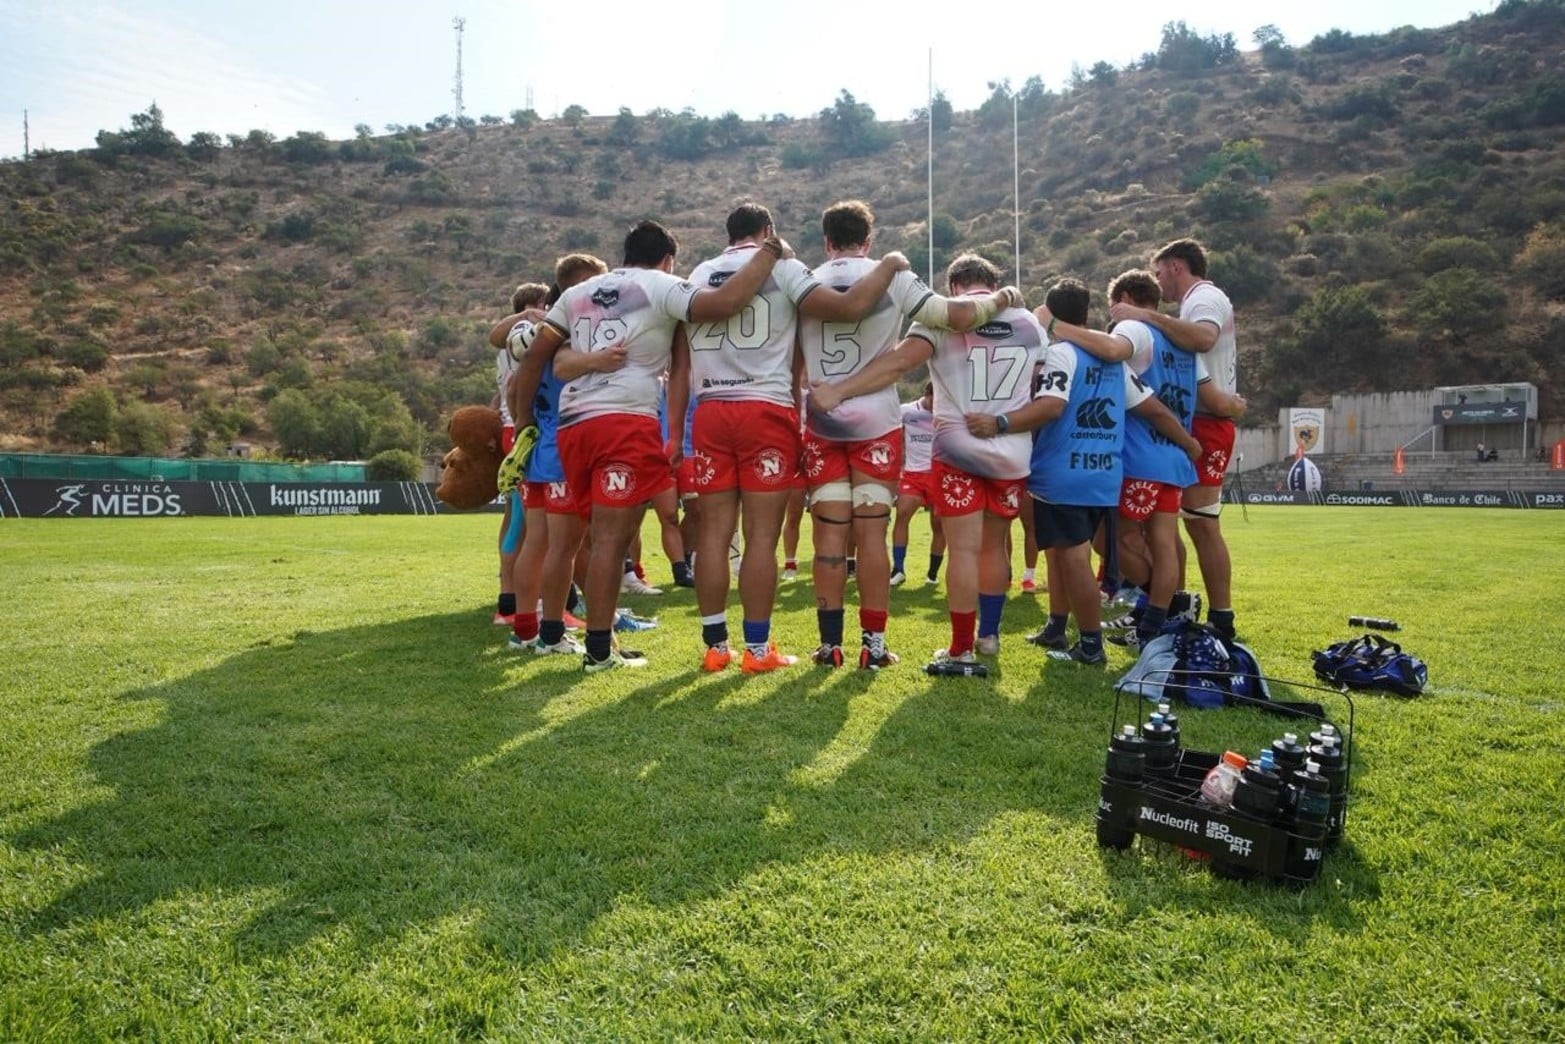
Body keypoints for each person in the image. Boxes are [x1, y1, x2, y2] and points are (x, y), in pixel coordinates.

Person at [512, 219, 789, 672]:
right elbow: (724, 302)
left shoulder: (581, 292)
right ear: (668, 259)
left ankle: (576, 637)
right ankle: (600, 650)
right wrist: (769, 252)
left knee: (579, 538)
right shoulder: (664, 285)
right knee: (609, 541)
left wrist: (525, 424)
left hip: (571, 426)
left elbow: (536, 358)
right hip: (624, 421)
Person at [676, 202, 910, 674]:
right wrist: (890, 264)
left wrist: (672, 428)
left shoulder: (699, 272)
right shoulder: (784, 265)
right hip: (766, 408)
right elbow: (845, 308)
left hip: (710, 410)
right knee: (763, 537)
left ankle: (715, 646)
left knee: (716, 534)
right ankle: (758, 651)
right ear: (769, 232)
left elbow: (678, 360)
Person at [798, 202, 1021, 669]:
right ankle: (873, 647)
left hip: (821, 420)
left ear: (826, 240)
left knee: (829, 538)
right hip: (876, 421)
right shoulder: (893, 275)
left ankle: (829, 645)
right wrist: (1002, 299)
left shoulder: (805, 279)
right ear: (869, 239)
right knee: (873, 535)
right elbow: (955, 315)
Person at [983, 278, 1199, 665]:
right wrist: (1187, 442)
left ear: (1049, 314)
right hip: (1104, 475)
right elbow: (1154, 410)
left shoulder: (1061, 353)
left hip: (1062, 473)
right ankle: (1057, 624)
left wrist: (998, 423)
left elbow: (1051, 406)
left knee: (1072, 559)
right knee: (1068, 554)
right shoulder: (1112, 361)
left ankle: (1089, 644)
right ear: (1086, 314)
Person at [1108, 238, 1241, 642]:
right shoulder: (1187, 313)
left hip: (1199, 424)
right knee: (1168, 529)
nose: (1159, 280)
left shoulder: (1204, 298)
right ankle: (1169, 609)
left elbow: (1202, 340)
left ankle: (1206, 616)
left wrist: (1145, 317)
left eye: (1161, 270)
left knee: (1198, 526)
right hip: (1197, 419)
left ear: (1178, 266)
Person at [492, 255, 607, 655]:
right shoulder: (569, 339)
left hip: (537, 448)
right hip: (562, 452)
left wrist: (526, 421)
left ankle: (524, 629)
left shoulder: (534, 339)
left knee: (535, 543)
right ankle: (553, 634)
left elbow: (511, 390)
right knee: (563, 548)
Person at [489, 281, 549, 626]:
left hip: (512, 431)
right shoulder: (528, 334)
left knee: (516, 519)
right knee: (533, 524)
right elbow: (514, 388)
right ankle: (522, 604)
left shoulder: (507, 344)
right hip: (527, 430)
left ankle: (508, 599)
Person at [891, 382, 944, 589]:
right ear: (927, 394)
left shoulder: (947, 413)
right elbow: (895, 439)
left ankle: (932, 574)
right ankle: (898, 569)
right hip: (913, 475)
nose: (936, 406)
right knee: (902, 514)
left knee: (939, 526)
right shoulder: (906, 411)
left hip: (939, 476)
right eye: (934, 400)